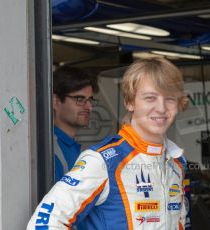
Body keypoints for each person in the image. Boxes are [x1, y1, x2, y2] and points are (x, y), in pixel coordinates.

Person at [27, 57, 189, 230]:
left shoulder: (176, 162)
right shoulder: (103, 161)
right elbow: (43, 223)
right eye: (150, 98)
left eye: (170, 99)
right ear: (130, 102)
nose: (161, 108)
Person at [53, 66, 99, 182]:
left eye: (90, 100)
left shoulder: (77, 149)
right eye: (80, 99)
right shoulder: (49, 150)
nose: (89, 107)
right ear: (56, 102)